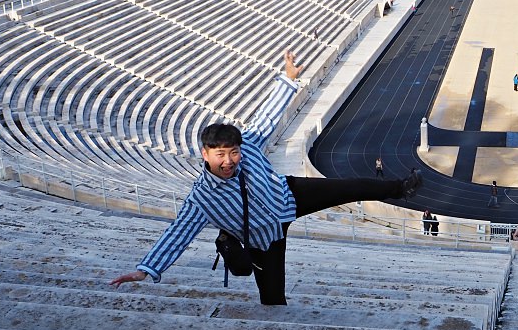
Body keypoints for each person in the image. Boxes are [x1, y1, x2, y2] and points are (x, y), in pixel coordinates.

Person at [109, 51, 423, 305]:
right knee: (272, 296)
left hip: (287, 195)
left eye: (233, 152)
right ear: (205, 154)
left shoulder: (249, 145)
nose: (229, 161)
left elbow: (266, 117)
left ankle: (400, 188)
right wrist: (145, 270)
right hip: (262, 237)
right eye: (220, 155)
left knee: (349, 187)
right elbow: (178, 233)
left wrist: (287, 79)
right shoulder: (201, 199)